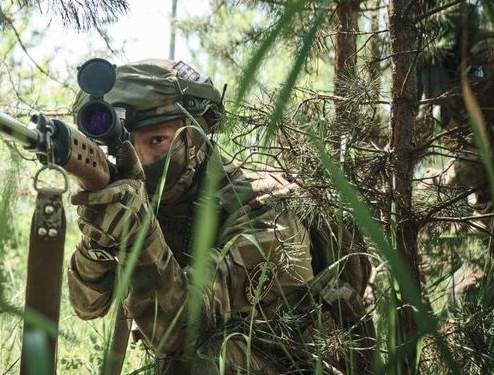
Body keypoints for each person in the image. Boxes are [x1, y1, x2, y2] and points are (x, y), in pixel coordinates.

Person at [67, 59, 372, 374]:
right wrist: (98, 242)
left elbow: (180, 332)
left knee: (200, 359)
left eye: (157, 141)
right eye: (126, 144)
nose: (141, 160)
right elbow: (87, 305)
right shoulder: (150, 204)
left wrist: (138, 235)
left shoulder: (263, 211)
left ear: (196, 136)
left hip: (302, 362)